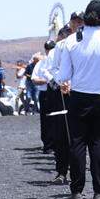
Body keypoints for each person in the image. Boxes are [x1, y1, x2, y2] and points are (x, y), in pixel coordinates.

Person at [53, 0, 100, 199]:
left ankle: (76, 191)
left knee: (77, 143)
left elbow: (63, 74)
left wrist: (66, 80)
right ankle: (99, 190)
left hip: (78, 96)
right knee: (98, 143)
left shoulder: (71, 40)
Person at [31, 37, 70, 184]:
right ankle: (61, 171)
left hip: (77, 93)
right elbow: (47, 71)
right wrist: (59, 82)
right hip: (57, 94)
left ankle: (76, 170)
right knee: (59, 135)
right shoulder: (55, 52)